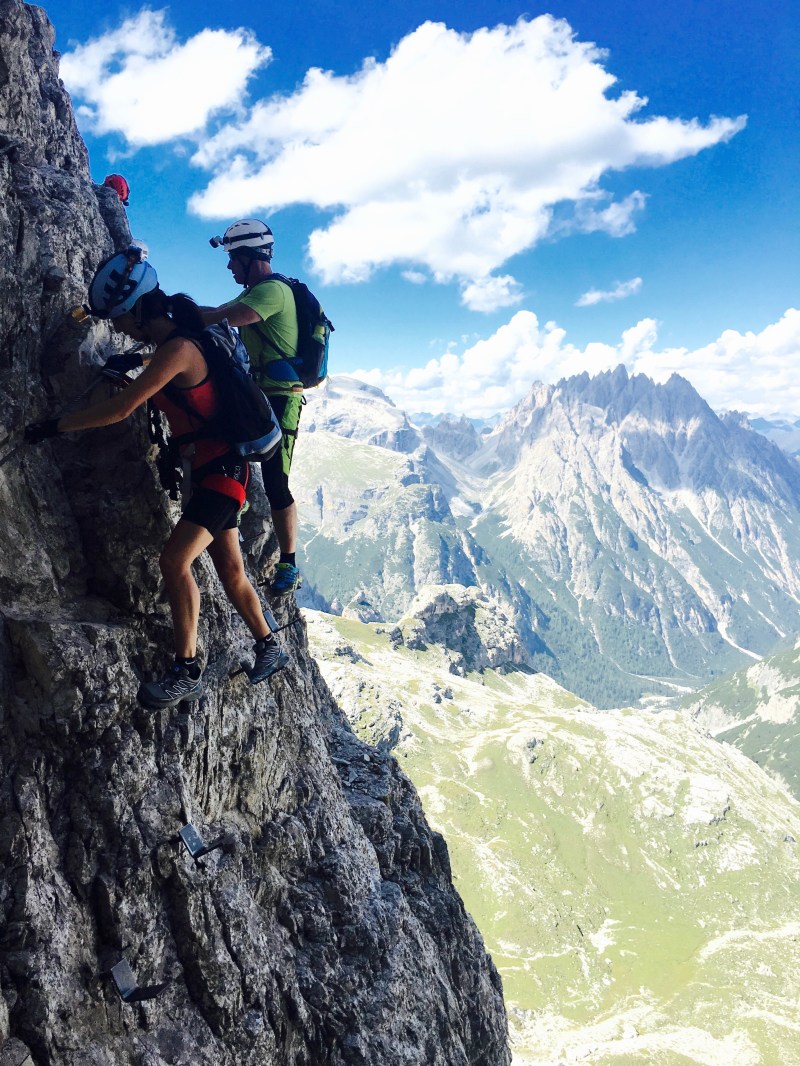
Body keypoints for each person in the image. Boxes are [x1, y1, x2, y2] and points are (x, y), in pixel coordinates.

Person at [24, 246, 289, 709]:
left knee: (174, 561)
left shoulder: (180, 349)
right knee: (230, 570)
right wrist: (130, 374)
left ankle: (186, 670)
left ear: (137, 311)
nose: (121, 330)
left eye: (122, 320)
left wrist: (55, 427)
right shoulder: (180, 345)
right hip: (218, 470)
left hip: (220, 472)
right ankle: (270, 645)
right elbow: (172, 396)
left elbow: (123, 409)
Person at [201, 219, 303, 595]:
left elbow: (222, 317)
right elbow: (217, 311)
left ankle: (288, 563)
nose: (230, 266)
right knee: (234, 456)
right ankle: (231, 521)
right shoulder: (256, 292)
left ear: (249, 256)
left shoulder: (272, 292)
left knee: (276, 480)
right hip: (258, 393)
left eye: (233, 258)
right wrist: (181, 311)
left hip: (281, 397)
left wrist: (180, 315)